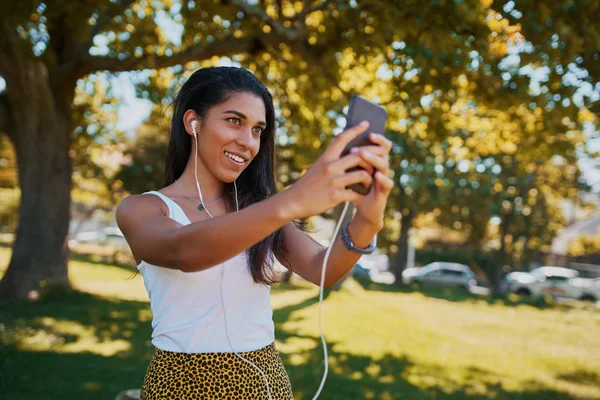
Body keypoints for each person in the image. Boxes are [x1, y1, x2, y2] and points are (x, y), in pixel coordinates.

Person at [116, 66, 393, 400]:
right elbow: (184, 251)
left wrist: (368, 222)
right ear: (193, 122)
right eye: (234, 121)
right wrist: (291, 201)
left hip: (266, 384)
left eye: (258, 130)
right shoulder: (142, 208)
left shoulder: (258, 210)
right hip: (179, 386)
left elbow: (325, 269)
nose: (247, 142)